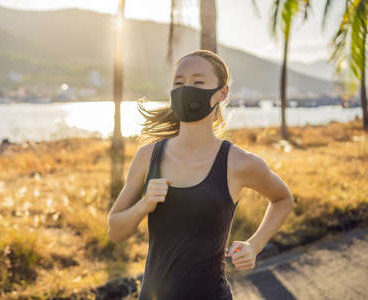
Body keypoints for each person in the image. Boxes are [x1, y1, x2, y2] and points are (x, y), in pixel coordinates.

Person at [107, 49, 294, 299]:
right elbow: (115, 231)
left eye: (198, 82)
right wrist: (144, 205)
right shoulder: (148, 156)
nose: (186, 89)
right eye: (179, 82)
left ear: (222, 93)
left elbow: (283, 199)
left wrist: (254, 245)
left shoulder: (239, 163)